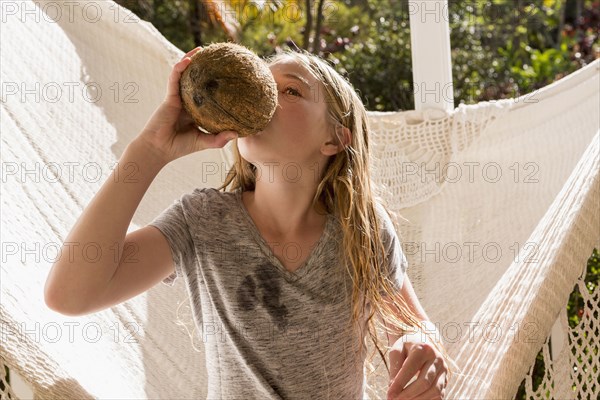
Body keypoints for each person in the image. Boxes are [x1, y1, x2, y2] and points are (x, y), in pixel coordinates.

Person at [44, 45, 455, 399]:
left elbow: (414, 326)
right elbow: (70, 295)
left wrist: (420, 341)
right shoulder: (202, 222)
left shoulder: (360, 227)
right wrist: (150, 150)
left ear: (335, 139)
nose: (265, 98)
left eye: (290, 90)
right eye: (261, 85)